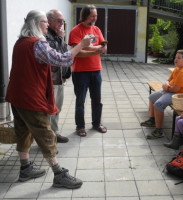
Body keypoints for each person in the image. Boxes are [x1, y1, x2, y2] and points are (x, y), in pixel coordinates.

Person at [5, 10, 93, 188]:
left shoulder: (20, 42)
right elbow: (62, 59)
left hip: (16, 95)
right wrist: (81, 45)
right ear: (37, 24)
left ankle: (25, 168)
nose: (47, 25)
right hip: (30, 98)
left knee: (24, 132)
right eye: (45, 22)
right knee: (46, 134)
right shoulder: (37, 44)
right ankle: (59, 173)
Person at [68, 4, 107, 137]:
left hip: (96, 70)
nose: (95, 18)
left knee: (97, 100)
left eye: (96, 15)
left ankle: (97, 123)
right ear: (85, 16)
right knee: (80, 101)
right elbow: (77, 52)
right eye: (93, 15)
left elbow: (103, 45)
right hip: (80, 72)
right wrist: (96, 50)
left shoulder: (96, 29)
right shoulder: (76, 31)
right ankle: (80, 126)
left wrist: (101, 48)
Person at [141, 50, 183, 139]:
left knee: (158, 104)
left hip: (178, 95)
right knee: (152, 97)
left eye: (179, 58)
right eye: (175, 57)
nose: (175, 60)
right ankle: (152, 119)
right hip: (170, 90)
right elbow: (169, 79)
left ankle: (159, 130)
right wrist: (165, 83)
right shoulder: (177, 68)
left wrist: (166, 87)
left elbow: (176, 89)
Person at [45, 9, 70, 143]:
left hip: (59, 79)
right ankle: (48, 138)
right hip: (50, 80)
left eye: (62, 21)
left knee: (57, 108)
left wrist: (66, 73)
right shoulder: (45, 35)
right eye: (59, 20)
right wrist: (60, 38)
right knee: (49, 109)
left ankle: (54, 133)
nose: (62, 23)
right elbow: (54, 55)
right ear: (49, 21)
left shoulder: (57, 33)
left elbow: (65, 53)